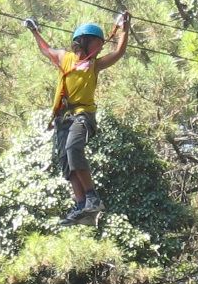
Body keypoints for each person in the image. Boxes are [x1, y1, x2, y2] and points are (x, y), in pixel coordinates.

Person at [24, 12, 131, 225]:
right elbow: (46, 50)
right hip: (63, 118)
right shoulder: (66, 59)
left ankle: (92, 198)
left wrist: (125, 28)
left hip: (84, 114)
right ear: (84, 41)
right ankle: (82, 206)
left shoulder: (94, 65)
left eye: (101, 44)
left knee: (74, 148)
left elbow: (118, 52)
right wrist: (34, 31)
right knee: (66, 163)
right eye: (97, 43)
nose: (100, 48)